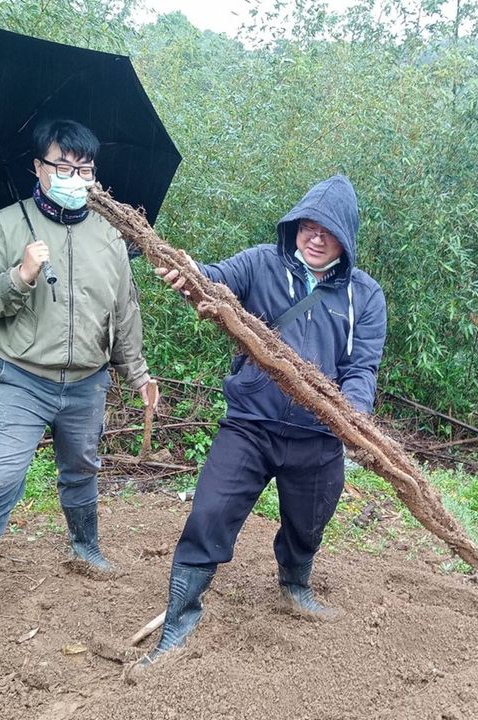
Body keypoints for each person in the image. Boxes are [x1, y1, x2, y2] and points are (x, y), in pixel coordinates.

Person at [144, 174, 387, 664]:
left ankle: (295, 584)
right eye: (307, 226)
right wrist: (189, 273)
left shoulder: (366, 295)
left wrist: (352, 417)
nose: (316, 236)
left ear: (347, 237)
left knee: (309, 524)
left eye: (329, 229)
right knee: (209, 514)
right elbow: (214, 280)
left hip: (318, 436)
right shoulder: (260, 263)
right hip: (250, 425)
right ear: (294, 226)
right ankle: (180, 619)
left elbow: (361, 367)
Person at [0, 119, 158, 571]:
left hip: (86, 382)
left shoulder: (109, 235)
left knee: (81, 470)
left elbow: (123, 310)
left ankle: (85, 548)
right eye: (63, 167)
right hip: (20, 379)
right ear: (38, 167)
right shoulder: (1, 227)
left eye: (85, 170)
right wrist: (19, 277)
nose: (75, 179)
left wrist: (137, 373)